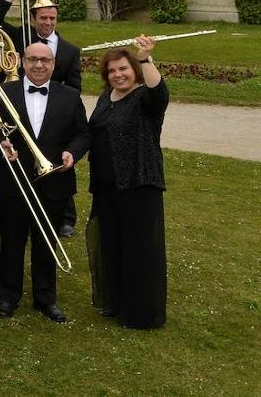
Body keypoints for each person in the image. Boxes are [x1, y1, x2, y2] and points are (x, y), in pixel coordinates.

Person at [0, 42, 91, 324]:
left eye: (44, 61)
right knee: (11, 241)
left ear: (53, 64)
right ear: (22, 62)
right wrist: (1, 144)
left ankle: (45, 298)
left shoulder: (70, 96)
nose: (38, 65)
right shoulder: (4, 92)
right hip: (13, 180)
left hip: (55, 180)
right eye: (32, 59)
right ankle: (8, 297)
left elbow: (83, 134)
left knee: (47, 242)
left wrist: (72, 152)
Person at [0, 0, 84, 237]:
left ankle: (64, 218)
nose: (48, 22)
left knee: (56, 165)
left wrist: (59, 102)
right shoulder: (21, 36)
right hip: (20, 104)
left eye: (52, 18)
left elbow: (75, 86)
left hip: (56, 113)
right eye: (43, 17)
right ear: (34, 18)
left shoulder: (69, 50)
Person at [87, 36, 168, 329]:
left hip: (138, 184)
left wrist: (146, 58)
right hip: (107, 186)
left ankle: (140, 313)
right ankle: (116, 302)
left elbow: (160, 93)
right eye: (112, 71)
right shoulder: (104, 98)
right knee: (111, 244)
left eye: (123, 69)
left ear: (134, 70)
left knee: (139, 250)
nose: (118, 75)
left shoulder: (144, 99)